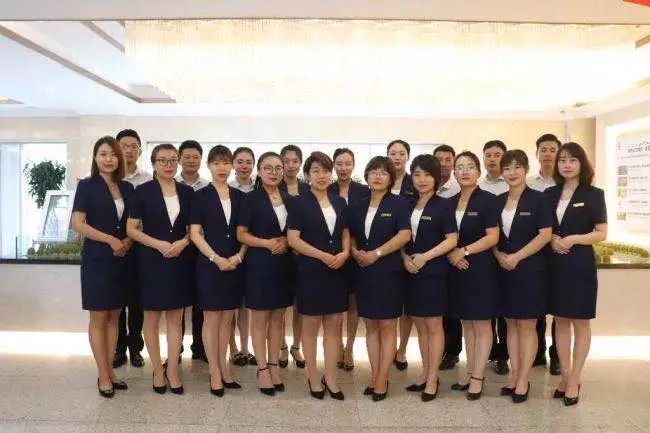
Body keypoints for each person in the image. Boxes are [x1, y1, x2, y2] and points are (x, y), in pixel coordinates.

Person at [127, 144, 194, 395]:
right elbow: (131, 230)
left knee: (176, 319)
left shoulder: (187, 192)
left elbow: (194, 229)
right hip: (151, 262)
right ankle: (157, 370)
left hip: (180, 260)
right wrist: (158, 244)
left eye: (173, 160)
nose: (169, 165)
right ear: (154, 163)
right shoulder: (142, 191)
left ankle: (173, 369)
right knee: (152, 318)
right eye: (163, 160)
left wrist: (183, 243)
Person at [546, 142, 607, 406]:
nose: (566, 165)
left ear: (582, 164)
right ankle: (565, 375)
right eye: (562, 160)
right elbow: (544, 228)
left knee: (580, 322)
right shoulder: (550, 193)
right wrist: (552, 240)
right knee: (560, 320)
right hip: (554, 265)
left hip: (580, 265)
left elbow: (601, 233)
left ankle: (574, 379)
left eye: (572, 160)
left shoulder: (593, 194)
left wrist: (572, 239)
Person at [71, 136, 133, 398]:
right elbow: (77, 223)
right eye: (103, 154)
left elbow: (133, 224)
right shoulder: (87, 186)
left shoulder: (127, 187)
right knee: (98, 318)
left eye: (113, 154)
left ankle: (111, 371)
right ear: (95, 158)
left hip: (121, 259)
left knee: (114, 318)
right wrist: (110, 239)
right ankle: (103, 375)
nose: (109, 159)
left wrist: (127, 240)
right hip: (97, 259)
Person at [287, 151, 349, 400]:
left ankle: (330, 377)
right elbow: (293, 239)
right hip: (311, 271)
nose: (321, 176)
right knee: (311, 327)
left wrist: (345, 252)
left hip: (338, 270)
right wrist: (322, 256)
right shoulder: (298, 203)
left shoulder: (339, 202)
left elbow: (345, 232)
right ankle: (313, 377)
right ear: (307, 175)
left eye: (325, 171)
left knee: (333, 327)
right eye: (316, 171)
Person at [348, 156, 411, 401]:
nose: (377, 176)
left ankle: (383, 379)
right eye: (373, 171)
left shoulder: (399, 203)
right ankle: (375, 376)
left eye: (383, 172)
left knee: (387, 326)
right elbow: (351, 234)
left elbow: (404, 235)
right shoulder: (358, 205)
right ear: (366, 175)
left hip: (388, 273)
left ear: (391, 178)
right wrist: (355, 251)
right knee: (371, 326)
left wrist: (376, 253)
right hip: (364, 272)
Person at [493, 150, 552, 403]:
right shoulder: (498, 201)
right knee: (510, 324)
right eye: (507, 168)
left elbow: (545, 235)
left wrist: (516, 257)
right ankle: (514, 375)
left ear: (526, 169)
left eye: (517, 167)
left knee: (527, 325)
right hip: (503, 269)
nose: (512, 172)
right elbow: (492, 235)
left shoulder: (539, 199)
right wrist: (498, 255)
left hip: (529, 270)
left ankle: (524, 379)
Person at [190, 145, 246, 396]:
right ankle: (214, 371)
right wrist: (216, 258)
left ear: (231, 165)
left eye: (226, 163)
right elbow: (195, 234)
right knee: (212, 320)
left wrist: (238, 257)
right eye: (216, 163)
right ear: (209, 166)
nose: (222, 168)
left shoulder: (241, 197)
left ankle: (224, 369)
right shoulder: (199, 196)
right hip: (209, 266)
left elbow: (245, 232)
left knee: (227, 320)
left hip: (234, 265)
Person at [237, 152, 295, 396]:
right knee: (260, 319)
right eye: (268, 167)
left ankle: (273, 366)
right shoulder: (250, 199)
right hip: (259, 265)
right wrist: (266, 243)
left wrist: (286, 241)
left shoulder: (290, 199)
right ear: (259, 171)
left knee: (278, 318)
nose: (274, 172)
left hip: (284, 265)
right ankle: (262, 369)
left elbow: (296, 231)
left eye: (278, 167)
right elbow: (241, 234)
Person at [402, 154, 458, 402]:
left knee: (434, 326)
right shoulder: (407, 204)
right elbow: (400, 236)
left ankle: (433, 378)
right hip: (410, 272)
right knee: (420, 326)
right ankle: (425, 374)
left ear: (436, 178)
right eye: (416, 174)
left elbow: (452, 239)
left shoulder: (443, 205)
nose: (421, 180)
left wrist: (425, 257)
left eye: (427, 175)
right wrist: (405, 258)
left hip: (433, 272)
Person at [447, 151, 499, 401]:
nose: (464, 171)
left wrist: (464, 251)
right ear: (454, 173)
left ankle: (478, 376)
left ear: (478, 172)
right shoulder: (449, 202)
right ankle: (469, 372)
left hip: (480, 269)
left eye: (469, 167)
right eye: (460, 167)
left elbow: (492, 236)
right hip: (456, 268)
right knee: (466, 323)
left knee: (481, 323)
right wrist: (453, 254)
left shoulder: (488, 200)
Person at [328, 147, 370, 372]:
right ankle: (338, 346)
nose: (343, 168)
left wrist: (354, 250)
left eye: (347, 163)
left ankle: (350, 348)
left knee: (353, 304)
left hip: (357, 253)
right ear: (333, 166)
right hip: (333, 253)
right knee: (335, 305)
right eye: (339, 163)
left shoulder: (364, 191)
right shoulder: (326, 188)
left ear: (353, 165)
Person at [114, 128, 150, 368]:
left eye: (133, 146)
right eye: (124, 146)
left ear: (140, 150)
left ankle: (136, 348)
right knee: (117, 301)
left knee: (137, 302)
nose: (128, 150)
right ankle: (118, 349)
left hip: (139, 248)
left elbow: (150, 215)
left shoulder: (148, 180)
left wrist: (131, 238)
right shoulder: (108, 179)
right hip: (113, 248)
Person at [527, 133, 562, 375]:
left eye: (552, 149)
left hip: (560, 250)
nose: (548, 154)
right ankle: (537, 351)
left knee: (560, 306)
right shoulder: (529, 183)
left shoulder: (566, 183)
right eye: (543, 149)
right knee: (536, 303)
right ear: (537, 153)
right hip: (534, 250)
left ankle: (557, 354)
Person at [176, 140, 210, 363]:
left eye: (195, 157)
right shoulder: (170, 184)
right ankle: (175, 348)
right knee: (177, 302)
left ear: (201, 160)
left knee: (201, 301)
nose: (191, 160)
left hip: (202, 251)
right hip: (177, 250)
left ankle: (200, 347)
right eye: (186, 157)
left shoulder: (208, 187)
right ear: (179, 159)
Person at [478, 140, 510, 376]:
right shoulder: (477, 186)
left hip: (508, 255)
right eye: (488, 155)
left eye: (497, 155)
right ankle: (487, 353)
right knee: (485, 310)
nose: (492, 159)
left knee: (506, 312)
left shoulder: (513, 183)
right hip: (483, 256)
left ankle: (503, 356)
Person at [387, 139, 418, 371]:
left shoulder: (415, 183)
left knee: (407, 306)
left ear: (407, 156)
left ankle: (402, 349)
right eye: (393, 153)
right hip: (384, 252)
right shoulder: (379, 181)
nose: (397, 157)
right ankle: (387, 348)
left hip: (410, 251)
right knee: (389, 304)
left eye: (401, 153)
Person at [278, 144, 308, 369]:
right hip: (279, 252)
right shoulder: (271, 185)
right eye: (286, 161)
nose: (290, 165)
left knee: (300, 305)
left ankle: (297, 346)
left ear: (300, 163)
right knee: (279, 304)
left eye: (294, 161)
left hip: (303, 253)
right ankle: (281, 346)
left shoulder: (308, 188)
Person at [433, 144, 463, 371]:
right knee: (438, 309)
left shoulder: (459, 189)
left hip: (456, 255)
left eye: (447, 159)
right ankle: (438, 350)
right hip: (433, 257)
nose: (443, 164)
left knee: (453, 310)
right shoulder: (425, 185)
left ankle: (452, 352)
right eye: (439, 160)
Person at [228, 147, 256, 367]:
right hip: (230, 252)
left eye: (248, 162)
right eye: (240, 161)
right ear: (233, 164)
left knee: (246, 306)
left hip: (254, 252)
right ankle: (233, 348)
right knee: (230, 305)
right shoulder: (226, 188)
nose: (244, 166)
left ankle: (246, 348)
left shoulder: (261, 187)